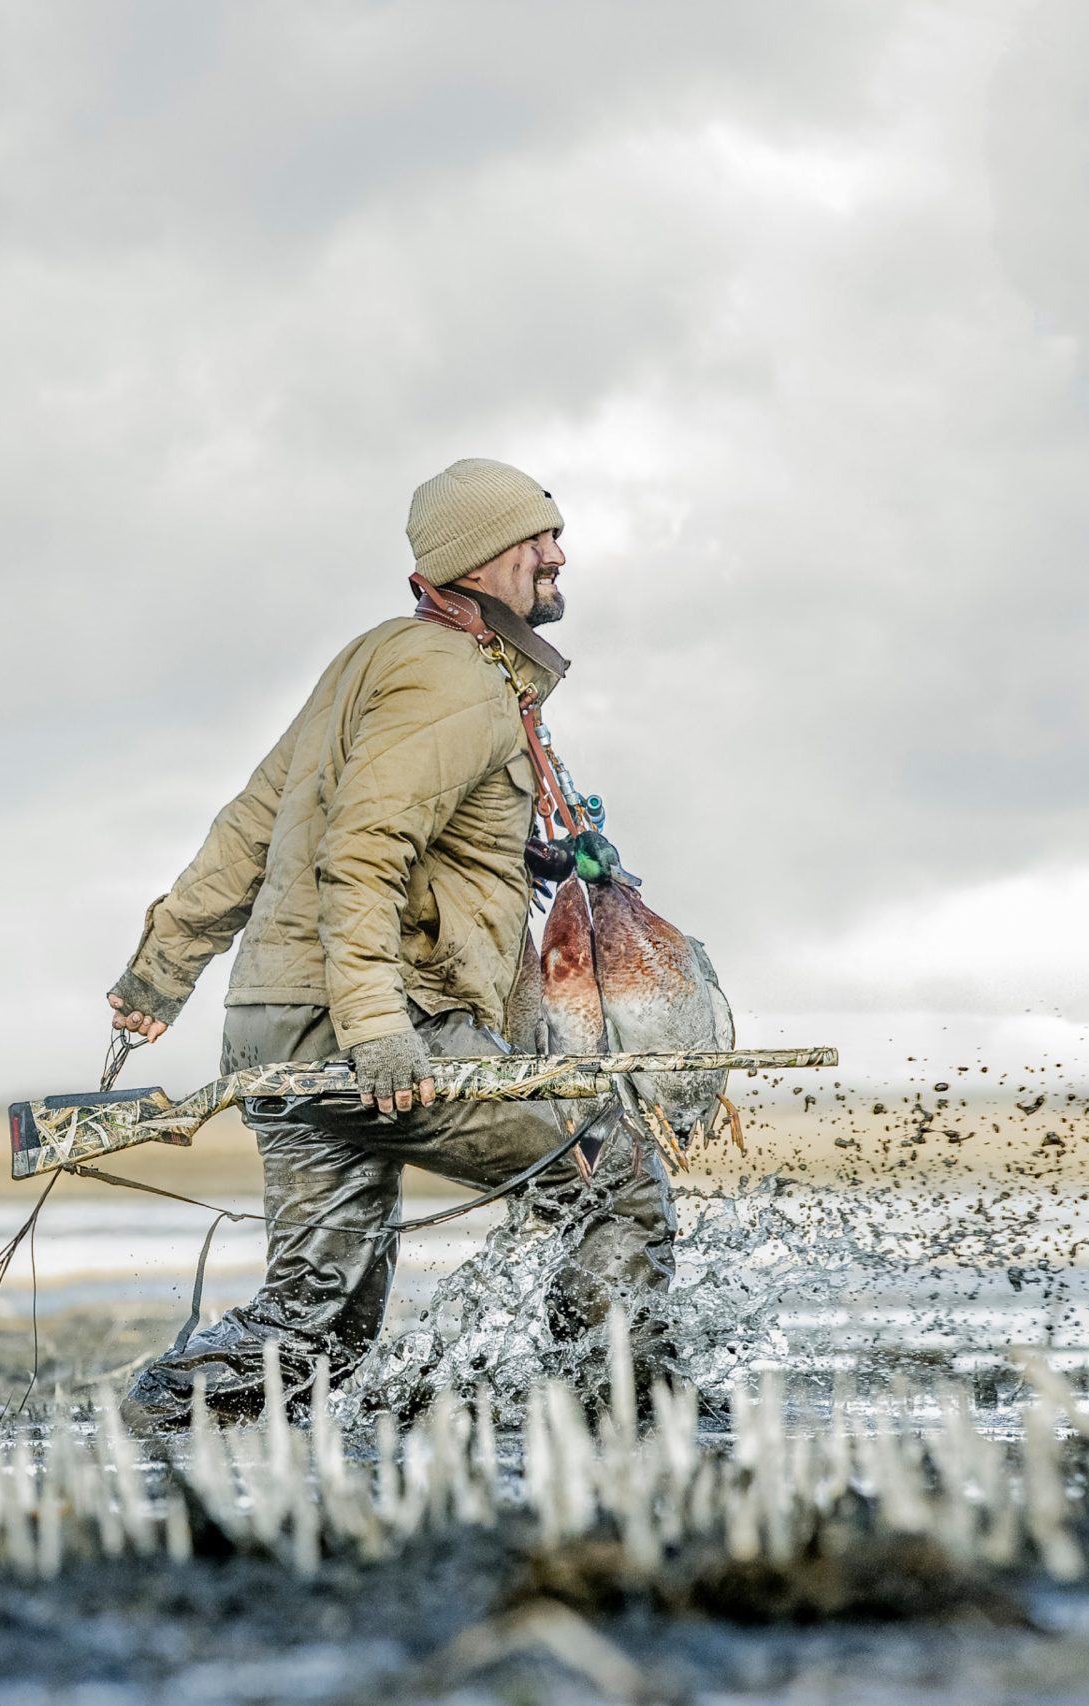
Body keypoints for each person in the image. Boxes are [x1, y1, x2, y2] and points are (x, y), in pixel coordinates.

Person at [106, 458, 671, 1429]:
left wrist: (160, 970)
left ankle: (161, 1415)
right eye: (534, 538)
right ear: (475, 561)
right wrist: (377, 1028)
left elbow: (253, 821)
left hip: (281, 1030)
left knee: (316, 1330)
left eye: (553, 533)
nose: (556, 553)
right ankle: (620, 1421)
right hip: (372, 1033)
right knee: (611, 1174)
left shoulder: (380, 658)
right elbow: (359, 849)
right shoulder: (454, 683)